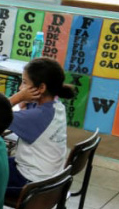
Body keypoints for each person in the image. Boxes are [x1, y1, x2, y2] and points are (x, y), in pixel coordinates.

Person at [5, 57, 73, 198]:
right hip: (49, 180)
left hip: (30, 184)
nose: (20, 88)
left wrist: (17, 98)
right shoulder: (56, 106)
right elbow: (30, 109)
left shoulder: (36, 116)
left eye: (24, 83)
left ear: (41, 88)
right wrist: (25, 100)